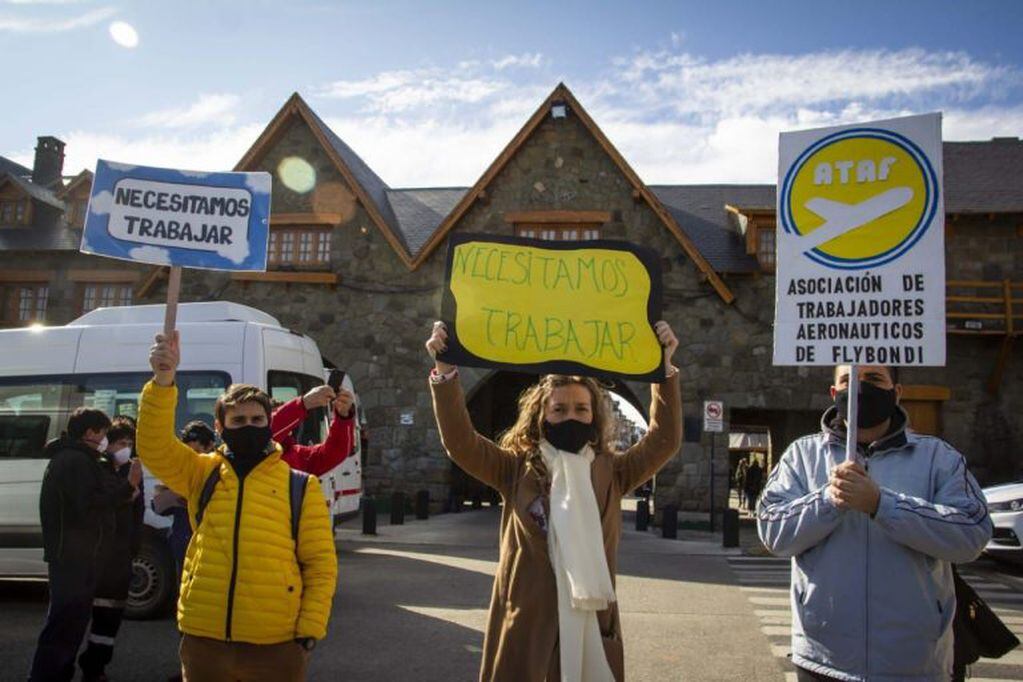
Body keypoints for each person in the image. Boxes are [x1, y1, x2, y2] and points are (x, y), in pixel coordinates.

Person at [426, 320, 682, 681]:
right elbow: (460, 442)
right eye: (559, 410)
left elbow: (664, 440)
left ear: (594, 416)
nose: (571, 416)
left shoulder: (613, 472)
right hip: (528, 629)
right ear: (541, 415)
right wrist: (445, 370)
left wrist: (664, 369)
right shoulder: (514, 468)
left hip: (592, 625)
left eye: (581, 409)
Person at [757, 364, 992, 681]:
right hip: (823, 659)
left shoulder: (938, 458)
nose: (859, 387)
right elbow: (773, 531)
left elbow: (972, 534)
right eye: (848, 379)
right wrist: (829, 500)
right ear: (833, 392)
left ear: (896, 392)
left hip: (915, 664)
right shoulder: (801, 455)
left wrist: (883, 505)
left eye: (873, 378)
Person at [137, 331, 338, 682]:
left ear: (269, 425)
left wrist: (308, 632)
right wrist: (163, 380)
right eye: (238, 421)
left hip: (276, 643)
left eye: (257, 420)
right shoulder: (202, 472)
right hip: (205, 638)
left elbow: (320, 566)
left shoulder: (300, 485)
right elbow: (154, 447)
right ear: (220, 427)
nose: (249, 427)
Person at [29, 408, 137, 682]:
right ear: (90, 433)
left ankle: (56, 674)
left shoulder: (78, 459)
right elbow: (89, 505)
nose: (104, 440)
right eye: (102, 433)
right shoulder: (75, 461)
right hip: (73, 556)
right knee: (64, 625)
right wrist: (127, 488)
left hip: (79, 555)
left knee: (70, 625)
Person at [78, 417, 146, 681]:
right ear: (107, 444)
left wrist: (133, 548)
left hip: (120, 558)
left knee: (110, 619)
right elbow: (99, 506)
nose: (125, 448)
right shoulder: (98, 469)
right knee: (83, 616)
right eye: (120, 443)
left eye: (130, 443)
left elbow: (138, 513)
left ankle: (95, 667)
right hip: (97, 555)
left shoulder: (134, 471)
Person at [153, 419, 218, 580]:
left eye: (195, 451)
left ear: (210, 446)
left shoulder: (221, 472)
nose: (191, 458)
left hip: (210, 548)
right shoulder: (178, 472)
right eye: (187, 452)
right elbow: (158, 508)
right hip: (182, 544)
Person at [271, 384, 356, 477]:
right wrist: (305, 403)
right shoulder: (255, 453)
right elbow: (266, 433)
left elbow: (335, 451)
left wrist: (343, 417)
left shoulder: (298, 455)